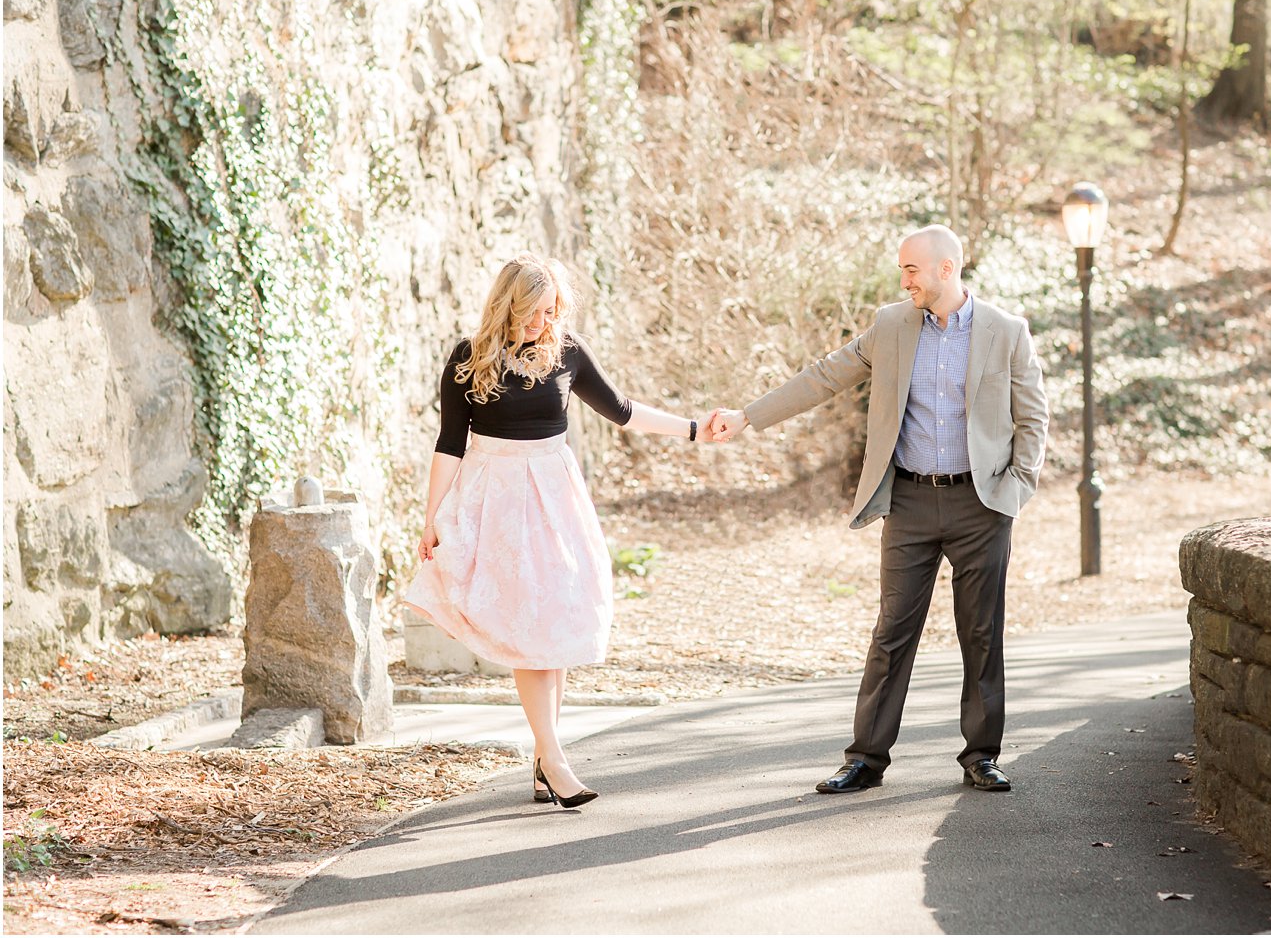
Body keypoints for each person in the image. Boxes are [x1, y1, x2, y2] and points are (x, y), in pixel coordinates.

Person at [710, 224, 1048, 794]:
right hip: (910, 501)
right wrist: (748, 417)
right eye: (901, 270)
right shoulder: (892, 326)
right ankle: (866, 759)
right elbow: (825, 376)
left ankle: (981, 756)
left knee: (982, 631)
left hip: (981, 503)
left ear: (946, 269)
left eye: (912, 269)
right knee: (891, 632)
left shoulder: (1006, 332)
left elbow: (1033, 417)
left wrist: (1014, 489)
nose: (903, 280)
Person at [406, 253, 716, 809]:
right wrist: (430, 519)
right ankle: (555, 760)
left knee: (553, 627)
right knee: (531, 633)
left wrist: (692, 430)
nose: (542, 324)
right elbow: (450, 443)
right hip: (496, 503)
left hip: (556, 499)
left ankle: (546, 759)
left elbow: (621, 410)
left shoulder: (566, 351)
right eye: (532, 312)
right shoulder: (467, 358)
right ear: (506, 305)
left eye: (550, 312)